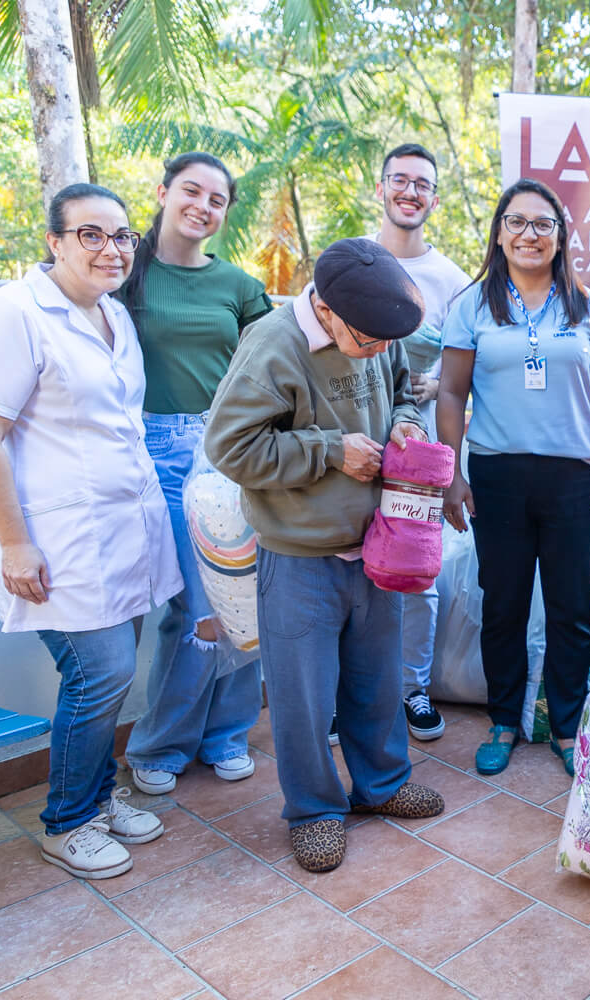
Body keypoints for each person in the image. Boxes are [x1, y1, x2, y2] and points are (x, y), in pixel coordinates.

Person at [0, 183, 177, 879]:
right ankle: (66, 822)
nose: (111, 249)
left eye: (121, 237)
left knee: (108, 678)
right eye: (91, 234)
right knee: (99, 674)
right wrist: (16, 542)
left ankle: (97, 798)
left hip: (126, 529)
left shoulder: (114, 315)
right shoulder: (12, 314)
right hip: (59, 541)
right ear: (53, 240)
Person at [205, 238, 446, 873]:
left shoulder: (380, 332)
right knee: (304, 695)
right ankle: (313, 810)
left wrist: (407, 423)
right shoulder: (272, 345)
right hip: (299, 554)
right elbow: (229, 449)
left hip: (375, 547)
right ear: (327, 309)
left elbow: (401, 390)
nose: (375, 350)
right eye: (365, 340)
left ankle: (383, 785)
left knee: (377, 679)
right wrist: (331, 450)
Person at [437, 178, 590, 778]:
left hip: (574, 477)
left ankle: (568, 728)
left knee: (570, 609)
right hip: (497, 477)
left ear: (560, 236)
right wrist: (452, 475)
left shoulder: (587, 305)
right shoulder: (473, 305)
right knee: (505, 607)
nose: (529, 234)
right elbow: (450, 391)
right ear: (499, 233)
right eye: (517, 222)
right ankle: (502, 720)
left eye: (542, 224)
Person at [118, 152, 274, 796]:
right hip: (145, 445)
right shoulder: (123, 270)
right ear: (162, 192)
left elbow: (274, 368)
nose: (203, 206)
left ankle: (226, 733)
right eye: (192, 191)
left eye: (217, 199)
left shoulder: (237, 286)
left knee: (241, 597)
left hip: (223, 449)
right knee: (190, 606)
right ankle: (161, 743)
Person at [368, 142, 472, 742]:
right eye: (399, 180)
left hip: (418, 459)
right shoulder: (351, 261)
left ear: (434, 199)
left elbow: (468, 372)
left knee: (417, 574)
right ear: (380, 189)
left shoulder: (454, 282)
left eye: (422, 184)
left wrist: (437, 385)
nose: (410, 192)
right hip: (352, 443)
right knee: (347, 570)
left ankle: (413, 688)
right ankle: (349, 693)